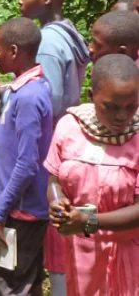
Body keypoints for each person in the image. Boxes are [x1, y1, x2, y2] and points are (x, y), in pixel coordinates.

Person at [19, 0, 90, 294]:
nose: (20, 1)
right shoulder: (68, 31)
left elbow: (49, 99)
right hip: (69, 133)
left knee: (50, 219)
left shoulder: (47, 40)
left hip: (52, 140)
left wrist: (9, 92)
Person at [45, 54, 139, 296]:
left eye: (131, 107)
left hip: (129, 255)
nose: (122, 116)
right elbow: (55, 179)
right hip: (80, 253)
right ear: (91, 96)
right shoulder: (69, 126)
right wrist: (58, 203)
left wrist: (89, 221)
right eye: (112, 107)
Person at [0, 18, 53, 295]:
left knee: (5, 281)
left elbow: (27, 163)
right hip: (18, 205)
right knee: (29, 279)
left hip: (21, 209)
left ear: (13, 51)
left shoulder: (28, 96)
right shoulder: (20, 89)